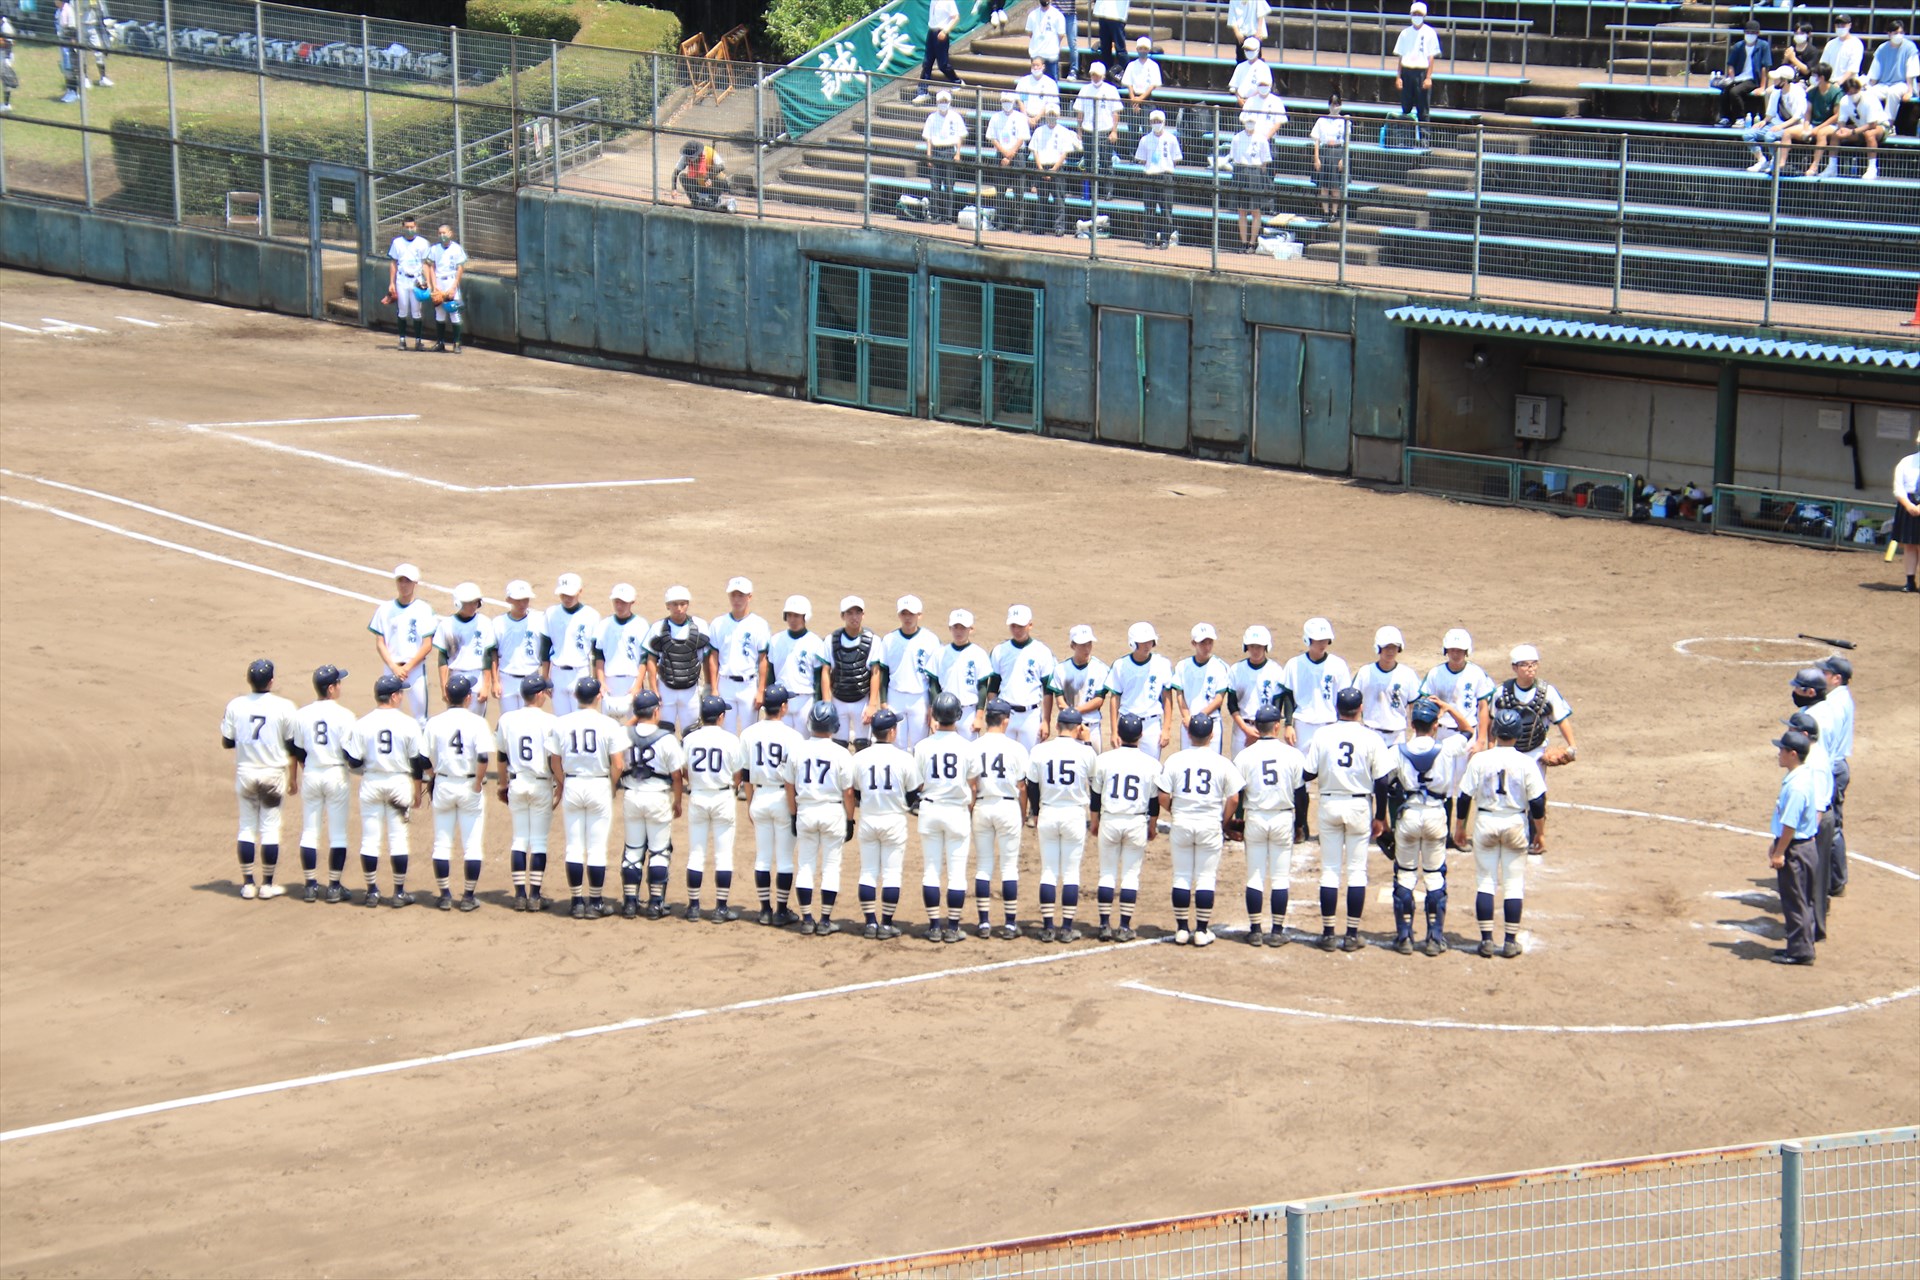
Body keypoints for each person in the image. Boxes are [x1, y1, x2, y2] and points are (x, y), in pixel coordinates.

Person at [1302, 687, 1393, 951]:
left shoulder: (1323, 734)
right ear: (1361, 708)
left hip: (1329, 802)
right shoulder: (1371, 737)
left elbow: (1308, 774)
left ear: (1337, 709)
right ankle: (1351, 934)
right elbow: (1382, 781)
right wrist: (1380, 817)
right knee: (1356, 871)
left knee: (1330, 871)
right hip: (1359, 806)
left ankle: (1329, 933)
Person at [1452, 708, 1546, 958]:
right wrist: (1540, 833)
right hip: (1515, 822)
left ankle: (1485, 941)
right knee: (1514, 884)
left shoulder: (1480, 760)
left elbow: (1464, 797)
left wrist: (1460, 826)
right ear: (1517, 734)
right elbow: (1537, 802)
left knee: (1486, 882)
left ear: (1495, 732)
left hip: (1486, 821)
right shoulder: (1526, 762)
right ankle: (1510, 941)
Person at [1387, 698, 1473, 954]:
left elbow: (1385, 783)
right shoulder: (1447, 748)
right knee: (1435, 875)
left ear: (1412, 725)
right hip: (1436, 816)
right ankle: (1434, 938)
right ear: (1435, 725)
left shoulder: (1397, 750)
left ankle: (1404, 936)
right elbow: (1468, 730)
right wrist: (1449, 709)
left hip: (1409, 816)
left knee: (1405, 874)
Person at [1158, 714, 1246, 946]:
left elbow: (1162, 795)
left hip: (1182, 822)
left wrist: (1175, 810)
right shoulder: (1222, 762)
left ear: (1189, 735)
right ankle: (1202, 930)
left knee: (1182, 876)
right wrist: (1222, 819)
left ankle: (1181, 929)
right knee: (1206, 877)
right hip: (1209, 824)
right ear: (1212, 735)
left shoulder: (1175, 759)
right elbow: (1234, 799)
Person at [344, 672, 427, 908]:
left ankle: (371, 891)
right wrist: (417, 789)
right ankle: (399, 893)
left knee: (370, 839)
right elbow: (416, 761)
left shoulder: (362, 724)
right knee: (398, 838)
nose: (401, 696)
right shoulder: (409, 724)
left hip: (371, 782)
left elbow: (354, 762)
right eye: (400, 692)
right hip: (399, 783)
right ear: (393, 696)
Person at [221, 658, 299, 901]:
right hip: (272, 774)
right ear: (272, 681)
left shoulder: (235, 705)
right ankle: (266, 884)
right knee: (269, 829)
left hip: (245, 772)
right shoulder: (285, 706)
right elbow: (291, 745)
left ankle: (247, 884)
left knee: (246, 827)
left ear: (249, 680)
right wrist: (293, 777)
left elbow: (227, 741)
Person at [551, 676, 626, 920]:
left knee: (573, 846)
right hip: (598, 784)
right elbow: (618, 764)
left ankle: (576, 902)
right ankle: (595, 902)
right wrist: (611, 785)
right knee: (596, 847)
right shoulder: (609, 724)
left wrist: (564, 782)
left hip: (573, 782)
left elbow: (554, 761)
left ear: (575, 697)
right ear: (599, 696)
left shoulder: (562, 723)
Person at [1230, 703, 1305, 945]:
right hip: (1283, 816)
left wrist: (1237, 819)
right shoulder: (1293, 754)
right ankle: (1277, 931)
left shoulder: (1244, 756)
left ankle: (1254, 930)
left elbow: (1238, 794)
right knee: (1280, 877)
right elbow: (1301, 795)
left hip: (1255, 817)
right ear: (1276, 726)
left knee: (1254, 875)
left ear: (1257, 727)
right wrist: (1301, 824)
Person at [784, 702, 857, 936]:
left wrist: (794, 814)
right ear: (834, 726)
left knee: (805, 865)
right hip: (832, 812)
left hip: (806, 810)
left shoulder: (797, 750)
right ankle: (825, 920)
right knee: (831, 867)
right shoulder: (842, 753)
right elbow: (848, 792)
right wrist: (849, 819)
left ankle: (806, 918)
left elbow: (789, 786)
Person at [914, 692, 982, 940]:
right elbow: (973, 785)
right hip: (957, 811)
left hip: (930, 809)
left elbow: (918, 784)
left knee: (931, 869)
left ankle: (933, 926)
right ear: (958, 716)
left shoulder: (922, 746)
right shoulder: (968, 747)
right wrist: (969, 809)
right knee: (956, 872)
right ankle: (953, 927)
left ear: (934, 715)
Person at [422, 673, 491, 913]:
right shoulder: (477, 723)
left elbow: (421, 757)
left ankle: (444, 895)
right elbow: (483, 757)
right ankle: (468, 896)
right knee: (472, 845)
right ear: (468, 697)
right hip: (468, 785)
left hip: (443, 784)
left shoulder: (434, 722)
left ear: (446, 696)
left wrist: (432, 775)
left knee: (442, 843)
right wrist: (478, 782)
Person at [1028, 707, 1098, 941]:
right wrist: (1087, 743)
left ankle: (1048, 927)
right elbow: (1094, 777)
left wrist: (1036, 812)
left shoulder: (1039, 750)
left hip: (1048, 812)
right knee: (1070, 872)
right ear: (1079, 729)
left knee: (1048, 870)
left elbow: (1032, 786)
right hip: (1074, 815)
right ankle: (1066, 928)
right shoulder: (1085, 752)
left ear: (1057, 727)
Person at [1280, 616, 1351, 841]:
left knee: (1332, 777)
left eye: (1325, 640)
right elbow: (1288, 696)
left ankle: (1331, 828)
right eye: (1317, 640)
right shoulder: (1294, 664)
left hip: (1330, 724)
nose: (1322, 644)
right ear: (1307, 640)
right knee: (1301, 777)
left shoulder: (1337, 665)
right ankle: (1300, 825)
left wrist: (1343, 725)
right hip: (1303, 725)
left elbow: (1343, 698)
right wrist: (1288, 724)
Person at [289, 665, 356, 903]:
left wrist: (298, 775)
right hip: (336, 774)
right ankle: (335, 887)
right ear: (331, 688)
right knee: (337, 833)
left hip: (312, 774)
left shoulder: (302, 714)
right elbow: (352, 754)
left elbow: (297, 750)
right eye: (338, 683)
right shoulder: (345, 715)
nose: (340, 686)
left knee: (310, 831)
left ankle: (309, 886)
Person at [1090, 712, 1160, 940]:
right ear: (1140, 736)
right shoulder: (1152, 763)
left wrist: (1094, 821)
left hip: (1110, 819)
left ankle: (1103, 925)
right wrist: (1152, 825)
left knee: (1106, 874)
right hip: (1136, 821)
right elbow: (1153, 802)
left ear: (1118, 733)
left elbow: (1095, 797)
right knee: (1131, 875)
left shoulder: (1103, 760)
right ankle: (1125, 926)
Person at [852, 707, 919, 938]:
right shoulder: (905, 758)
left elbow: (856, 793)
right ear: (892, 732)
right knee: (891, 874)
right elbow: (912, 796)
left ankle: (870, 923)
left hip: (869, 819)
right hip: (894, 821)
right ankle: (887, 924)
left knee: (868, 871)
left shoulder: (859, 757)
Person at [620, 690, 687, 919]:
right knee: (659, 850)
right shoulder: (666, 738)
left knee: (633, 849)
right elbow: (677, 776)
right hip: (657, 797)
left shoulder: (624, 735)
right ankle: (655, 904)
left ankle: (630, 903)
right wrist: (678, 801)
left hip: (632, 796)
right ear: (656, 711)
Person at [496, 674, 558, 912]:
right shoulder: (551, 721)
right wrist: (560, 784)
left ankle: (520, 895)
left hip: (516, 783)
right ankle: (535, 895)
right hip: (541, 783)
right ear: (540, 694)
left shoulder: (506, 719)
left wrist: (502, 784)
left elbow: (501, 756)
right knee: (539, 841)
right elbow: (554, 759)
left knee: (520, 838)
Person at [971, 699, 1032, 938]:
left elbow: (972, 785)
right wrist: (1024, 812)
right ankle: (1009, 924)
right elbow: (1022, 786)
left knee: (983, 866)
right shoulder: (1016, 748)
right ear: (1006, 720)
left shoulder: (974, 746)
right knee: (1009, 867)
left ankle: (984, 923)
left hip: (983, 807)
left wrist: (971, 810)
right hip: (1008, 807)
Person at [682, 695, 746, 922]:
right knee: (723, 855)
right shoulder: (731, 740)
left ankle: (693, 906)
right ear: (721, 717)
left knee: (696, 854)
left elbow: (683, 771)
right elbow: (739, 774)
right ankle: (720, 908)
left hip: (697, 796)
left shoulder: (689, 739)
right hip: (722, 797)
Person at [741, 686, 803, 924]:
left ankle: (765, 910)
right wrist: (794, 809)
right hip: (782, 799)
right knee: (785, 858)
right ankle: (781, 910)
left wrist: (749, 803)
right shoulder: (793, 737)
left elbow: (746, 775)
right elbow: (794, 778)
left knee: (763, 857)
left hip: (759, 796)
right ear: (784, 707)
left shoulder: (748, 733)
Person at [1763, 728, 1821, 965]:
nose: (1779, 753)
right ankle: (1804, 944)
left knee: (1795, 902)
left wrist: (1779, 852)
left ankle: (1800, 951)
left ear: (1793, 754)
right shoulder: (1804, 776)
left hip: (1795, 849)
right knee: (1803, 900)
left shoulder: (1796, 786)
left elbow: (1789, 824)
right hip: (1805, 846)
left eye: (1782, 750)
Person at [872, 595, 941, 749]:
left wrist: (933, 707)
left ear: (919, 615)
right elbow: (884, 672)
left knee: (920, 745)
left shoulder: (930, 640)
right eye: (904, 613)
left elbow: (934, 678)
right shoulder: (890, 640)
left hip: (920, 697)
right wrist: (883, 701)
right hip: (895, 696)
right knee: (896, 745)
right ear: (899, 615)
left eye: (912, 614)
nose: (908, 618)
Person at [369, 563, 435, 723]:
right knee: (388, 714)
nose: (403, 585)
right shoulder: (385, 609)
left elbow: (427, 644)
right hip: (391, 668)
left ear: (415, 583)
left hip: (415, 669)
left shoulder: (424, 609)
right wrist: (394, 667)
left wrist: (407, 668)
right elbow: (380, 643)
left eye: (407, 581)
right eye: (401, 581)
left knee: (421, 719)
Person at [644, 584, 713, 737]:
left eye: (683, 604)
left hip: (691, 690)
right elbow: (651, 659)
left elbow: (708, 658)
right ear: (667, 605)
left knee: (692, 734)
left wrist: (709, 685)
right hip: (665, 689)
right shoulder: (658, 627)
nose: (679, 608)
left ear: (688, 604)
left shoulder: (700, 626)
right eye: (675, 604)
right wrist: (654, 689)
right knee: (663, 733)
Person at [989, 604, 1056, 748]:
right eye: (1013, 626)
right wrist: (993, 714)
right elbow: (993, 686)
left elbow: (1047, 690)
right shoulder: (1000, 651)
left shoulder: (1042, 651)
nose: (1017, 630)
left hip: (1030, 714)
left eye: (1021, 626)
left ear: (1030, 625)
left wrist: (1046, 721)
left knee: (1030, 760)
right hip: (1005, 713)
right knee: (1003, 758)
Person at [710, 576, 770, 735]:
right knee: (725, 734)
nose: (737, 600)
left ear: (749, 597)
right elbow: (713, 657)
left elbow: (763, 659)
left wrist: (761, 690)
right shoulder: (718, 623)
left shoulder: (759, 624)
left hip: (748, 684)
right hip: (725, 682)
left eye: (741, 595)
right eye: (733, 595)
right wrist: (714, 688)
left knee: (749, 734)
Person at [1103, 621, 1175, 755]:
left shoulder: (1162, 664)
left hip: (1151, 723)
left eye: (1150, 641)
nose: (1147, 645)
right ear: (1133, 643)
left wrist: (1166, 729)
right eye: (1143, 642)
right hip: (1126, 722)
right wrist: (1114, 731)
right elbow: (1115, 698)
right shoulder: (1120, 665)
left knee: (1152, 768)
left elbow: (1167, 697)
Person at [1353, 625, 1423, 747]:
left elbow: (1415, 705)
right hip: (1371, 733)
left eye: (1394, 647)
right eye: (1386, 647)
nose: (1390, 651)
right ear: (1378, 648)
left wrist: (1416, 733)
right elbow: (1353, 702)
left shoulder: (1407, 674)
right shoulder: (1365, 673)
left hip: (1397, 736)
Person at [433, 582, 496, 717]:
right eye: (469, 603)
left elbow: (487, 656)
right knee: (455, 718)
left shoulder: (485, 623)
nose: (473, 606)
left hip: (477, 676)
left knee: (476, 721)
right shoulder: (447, 625)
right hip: (455, 675)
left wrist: (486, 685)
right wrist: (444, 687)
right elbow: (442, 658)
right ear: (459, 603)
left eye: (475, 602)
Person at [768, 596, 830, 731]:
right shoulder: (776, 640)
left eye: (796, 615)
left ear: (805, 617)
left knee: (803, 743)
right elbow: (770, 672)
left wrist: (819, 703)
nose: (792, 619)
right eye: (789, 615)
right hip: (781, 698)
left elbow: (819, 677)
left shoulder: (815, 643)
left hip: (805, 699)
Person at [932, 609, 993, 740]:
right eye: (955, 627)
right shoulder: (940, 653)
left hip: (968, 712)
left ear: (971, 629)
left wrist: (979, 716)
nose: (958, 632)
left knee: (969, 753)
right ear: (950, 628)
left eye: (963, 628)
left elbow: (982, 687)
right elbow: (934, 685)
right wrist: (934, 715)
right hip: (944, 711)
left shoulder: (979, 654)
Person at [544, 573, 599, 718]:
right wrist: (545, 677)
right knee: (561, 721)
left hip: (580, 672)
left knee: (581, 719)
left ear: (580, 591)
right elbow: (545, 646)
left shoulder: (591, 615)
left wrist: (595, 679)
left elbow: (596, 650)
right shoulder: (551, 613)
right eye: (563, 594)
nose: (566, 598)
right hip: (557, 673)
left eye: (570, 594)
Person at [827, 596, 878, 750]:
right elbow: (825, 670)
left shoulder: (873, 640)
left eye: (858, 612)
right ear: (842, 616)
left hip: (861, 700)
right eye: (849, 613)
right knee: (838, 746)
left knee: (863, 745)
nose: (854, 617)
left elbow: (875, 672)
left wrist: (872, 704)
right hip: (838, 699)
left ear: (863, 615)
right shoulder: (831, 640)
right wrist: (826, 701)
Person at [1227, 625, 1287, 754]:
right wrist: (1246, 730)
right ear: (1246, 646)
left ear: (1266, 647)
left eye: (1259, 646)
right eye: (1252, 646)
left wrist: (1267, 733)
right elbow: (1231, 704)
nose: (1255, 650)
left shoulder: (1275, 671)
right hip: (1242, 729)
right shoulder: (1236, 670)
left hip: (1267, 728)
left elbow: (1277, 705)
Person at [594, 583, 649, 723]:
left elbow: (644, 658)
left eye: (623, 602)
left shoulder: (641, 625)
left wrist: (638, 685)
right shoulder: (604, 625)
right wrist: (601, 681)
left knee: (635, 725)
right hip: (609, 680)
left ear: (632, 602)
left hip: (632, 679)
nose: (619, 606)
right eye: (617, 602)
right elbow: (599, 656)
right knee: (608, 725)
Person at [1053, 624, 1111, 754]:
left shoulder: (1101, 669)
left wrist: (1075, 711)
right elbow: (1060, 700)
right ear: (1073, 645)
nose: (1087, 648)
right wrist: (1072, 715)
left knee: (1094, 770)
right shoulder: (1061, 669)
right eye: (1082, 644)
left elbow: (1098, 700)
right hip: (1068, 727)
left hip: (1091, 727)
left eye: (1089, 644)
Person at [1172, 623, 1230, 753]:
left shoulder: (1220, 666)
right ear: (1194, 643)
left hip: (1211, 722)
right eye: (1203, 643)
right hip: (1188, 723)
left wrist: (1199, 718)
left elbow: (1219, 698)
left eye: (1210, 642)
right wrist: (1187, 717)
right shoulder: (1183, 666)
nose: (1207, 647)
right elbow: (1180, 694)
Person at [492, 581, 547, 716]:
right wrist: (495, 681)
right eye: (518, 600)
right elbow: (493, 653)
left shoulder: (539, 620)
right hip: (507, 679)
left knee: (530, 721)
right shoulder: (498, 623)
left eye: (525, 600)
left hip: (532, 676)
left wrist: (545, 679)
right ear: (509, 599)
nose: (523, 604)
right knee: (508, 720)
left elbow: (546, 651)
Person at [1075, 61, 1123, 211]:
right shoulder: (1084, 89)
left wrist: (1114, 130)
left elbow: (1115, 113)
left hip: (1104, 129)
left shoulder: (1111, 90)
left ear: (1102, 75)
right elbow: (1079, 112)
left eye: (1097, 74)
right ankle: (1090, 191)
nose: (1094, 77)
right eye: (1092, 74)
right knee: (1088, 162)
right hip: (1089, 129)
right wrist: (1079, 130)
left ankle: (1108, 191)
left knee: (1106, 161)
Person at [1028, 103, 1080, 236]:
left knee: (1059, 200)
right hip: (1042, 167)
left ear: (1057, 116)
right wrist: (1041, 169)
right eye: (1049, 114)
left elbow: (1065, 153)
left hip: (1057, 168)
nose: (1051, 117)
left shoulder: (1063, 131)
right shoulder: (1039, 131)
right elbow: (1035, 151)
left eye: (1053, 115)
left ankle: (1059, 227)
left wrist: (1054, 169)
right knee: (1042, 200)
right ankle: (1039, 227)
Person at [1393, 2, 1442, 143]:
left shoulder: (1430, 33)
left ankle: (1425, 140)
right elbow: (1401, 56)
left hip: (1421, 72)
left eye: (1419, 14)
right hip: (1407, 71)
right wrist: (1398, 77)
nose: (1417, 17)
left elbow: (1431, 57)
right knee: (1406, 107)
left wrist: (1428, 77)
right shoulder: (1404, 33)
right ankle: (1405, 138)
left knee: (1423, 109)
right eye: (1414, 14)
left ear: (1424, 15)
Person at [1745, 67, 1808, 174]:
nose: (1774, 81)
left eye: (1777, 79)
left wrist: (1781, 126)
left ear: (1784, 81)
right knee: (1748, 134)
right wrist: (1764, 121)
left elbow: (1797, 117)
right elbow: (1771, 113)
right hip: (1775, 124)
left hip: (1792, 126)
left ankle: (1775, 161)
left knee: (1769, 136)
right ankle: (1762, 160)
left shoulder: (1798, 92)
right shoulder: (1776, 92)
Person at [987, 93, 1033, 234]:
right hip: (1000, 154)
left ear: (1013, 102)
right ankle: (1000, 221)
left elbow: (1023, 137)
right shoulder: (995, 117)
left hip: (1017, 155)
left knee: (1019, 191)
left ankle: (1019, 222)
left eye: (1009, 101)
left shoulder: (1020, 117)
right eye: (1004, 101)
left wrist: (1011, 153)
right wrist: (1004, 152)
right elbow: (992, 137)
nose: (1006, 103)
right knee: (1000, 191)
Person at [1135, 109, 1182, 249]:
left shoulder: (1171, 138)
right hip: (1150, 176)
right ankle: (1149, 239)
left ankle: (1165, 239)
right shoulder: (1145, 139)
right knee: (1149, 209)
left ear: (1164, 122)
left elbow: (1176, 159)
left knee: (1166, 210)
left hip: (1166, 175)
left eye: (1159, 121)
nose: (1157, 124)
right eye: (1154, 121)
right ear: (1150, 123)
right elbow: (1141, 159)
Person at [1790, 65, 1846, 177]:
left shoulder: (1836, 92)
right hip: (1813, 124)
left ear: (1821, 77)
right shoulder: (1812, 92)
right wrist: (1806, 127)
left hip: (1832, 125)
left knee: (1822, 133)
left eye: (1815, 75)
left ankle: (1814, 166)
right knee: (1787, 133)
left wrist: (1818, 128)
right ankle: (1781, 165)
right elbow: (1808, 112)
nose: (1813, 78)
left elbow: (1836, 116)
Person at [387, 217, 433, 351]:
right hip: (402, 279)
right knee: (402, 309)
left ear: (416, 227)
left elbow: (425, 264)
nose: (410, 229)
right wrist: (391, 283)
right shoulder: (397, 242)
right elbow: (393, 263)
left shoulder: (423, 243)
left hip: (417, 280)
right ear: (403, 227)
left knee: (416, 311)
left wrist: (428, 283)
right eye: (407, 227)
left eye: (412, 227)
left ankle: (418, 341)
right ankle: (402, 340)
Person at [921, 90, 968, 224]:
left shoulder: (955, 117)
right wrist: (929, 154)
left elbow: (960, 136)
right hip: (936, 150)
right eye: (941, 102)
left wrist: (958, 152)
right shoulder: (932, 117)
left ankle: (948, 216)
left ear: (949, 102)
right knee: (935, 186)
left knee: (949, 185)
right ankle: (936, 215)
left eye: (945, 102)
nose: (943, 104)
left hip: (949, 150)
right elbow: (928, 138)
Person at [1229, 112, 1272, 253]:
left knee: (1255, 210)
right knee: (1241, 210)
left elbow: (1265, 161)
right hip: (1241, 171)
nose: (1250, 124)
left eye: (1252, 121)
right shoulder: (1237, 138)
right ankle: (1243, 242)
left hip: (1255, 171)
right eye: (1248, 121)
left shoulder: (1261, 139)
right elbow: (1234, 158)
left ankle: (1252, 243)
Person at [1832, 76, 1889, 180]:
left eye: (1855, 92)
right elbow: (1841, 121)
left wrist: (1852, 132)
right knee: (1836, 134)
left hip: (1880, 126)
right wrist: (1841, 129)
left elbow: (1872, 124)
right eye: (1850, 93)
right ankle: (1832, 167)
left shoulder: (1870, 99)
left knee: (1869, 134)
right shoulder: (1844, 101)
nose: (1853, 95)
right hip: (1860, 128)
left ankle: (1872, 168)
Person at [1719, 20, 1773, 126]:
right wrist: (1731, 78)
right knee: (1725, 90)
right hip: (1739, 77)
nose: (1750, 35)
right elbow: (1731, 64)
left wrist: (1762, 87)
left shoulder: (1763, 46)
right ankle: (1725, 117)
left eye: (1753, 33)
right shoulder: (1738, 46)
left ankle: (1740, 117)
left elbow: (1764, 67)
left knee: (1735, 92)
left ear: (1758, 33)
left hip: (1752, 79)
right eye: (1747, 32)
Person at [424, 224, 466, 353]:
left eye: (444, 233)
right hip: (439, 282)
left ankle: (457, 343)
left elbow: (460, 268)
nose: (442, 235)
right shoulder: (435, 249)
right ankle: (440, 343)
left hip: (451, 281)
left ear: (450, 233)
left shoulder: (456, 249)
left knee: (453, 312)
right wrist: (434, 285)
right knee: (439, 312)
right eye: (440, 233)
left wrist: (454, 287)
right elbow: (431, 266)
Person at [1308, 94, 1350, 222]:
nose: (1334, 107)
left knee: (1335, 186)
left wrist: (1343, 158)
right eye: (1332, 104)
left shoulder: (1344, 121)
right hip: (1325, 151)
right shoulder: (1321, 120)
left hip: (1338, 151)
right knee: (1324, 186)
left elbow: (1346, 142)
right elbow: (1317, 140)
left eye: (1337, 104)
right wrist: (1316, 158)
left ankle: (1334, 212)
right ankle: (1325, 212)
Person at [914, 0, 964, 103]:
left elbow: (956, 17)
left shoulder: (948, 1)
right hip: (931, 32)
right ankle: (923, 92)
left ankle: (957, 81)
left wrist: (945, 31)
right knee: (927, 63)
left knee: (943, 64)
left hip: (941, 33)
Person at [1866, 21, 1917, 115]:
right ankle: (1874, 120)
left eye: (1901, 33)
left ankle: (1888, 123)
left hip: (1902, 84)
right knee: (1869, 94)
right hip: (1884, 84)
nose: (1899, 35)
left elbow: (1911, 71)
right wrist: (1869, 86)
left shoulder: (1910, 47)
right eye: (1896, 33)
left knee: (1893, 93)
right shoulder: (1882, 49)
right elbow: (1875, 72)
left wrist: (1910, 91)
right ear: (1889, 34)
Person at [672, 140, 735, 211]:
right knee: (682, 177)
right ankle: (695, 202)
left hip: (712, 185)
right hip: (698, 184)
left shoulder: (710, 152)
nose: (689, 159)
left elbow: (721, 166)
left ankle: (714, 201)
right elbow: (675, 172)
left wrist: (709, 177)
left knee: (721, 177)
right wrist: (674, 189)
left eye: (691, 157)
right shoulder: (686, 157)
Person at [1119, 37, 1162, 131]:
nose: (1143, 51)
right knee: (1132, 130)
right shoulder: (1131, 65)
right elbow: (1129, 84)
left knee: (1148, 129)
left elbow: (1153, 85)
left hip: (1147, 100)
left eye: (1145, 49)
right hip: (1133, 99)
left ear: (1148, 50)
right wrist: (1134, 100)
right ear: (1137, 49)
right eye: (1140, 48)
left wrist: (1140, 99)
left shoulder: (1153, 65)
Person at [1894, 435, 1920, 591]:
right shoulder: (1906, 462)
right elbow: (1898, 487)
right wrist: (1908, 505)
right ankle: (1910, 581)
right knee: (1909, 544)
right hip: (1908, 503)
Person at [1015, 56, 1061, 129]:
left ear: (1043, 66)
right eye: (1033, 65)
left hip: (1043, 120)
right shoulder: (1024, 81)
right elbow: (1020, 100)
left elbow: (1050, 103)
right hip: (1025, 118)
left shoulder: (1050, 83)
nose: (1035, 68)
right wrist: (1026, 118)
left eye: (1037, 65)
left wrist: (1036, 118)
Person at [1027, 0, 1067, 83]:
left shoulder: (1058, 15)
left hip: (1051, 55)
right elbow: (1029, 33)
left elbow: (1061, 34)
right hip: (1036, 54)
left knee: (1052, 82)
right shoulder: (1032, 15)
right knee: (1035, 82)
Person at [1819, 14, 1865, 84]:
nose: (1840, 27)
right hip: (1829, 82)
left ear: (1849, 25)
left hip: (1848, 83)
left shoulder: (1856, 44)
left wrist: (1839, 83)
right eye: (1838, 25)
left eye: (1843, 25)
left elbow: (1853, 69)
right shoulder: (1830, 44)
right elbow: (1823, 65)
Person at [1230, 39, 1274, 106]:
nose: (1248, 52)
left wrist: (1249, 100)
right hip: (1240, 103)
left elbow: (1265, 86)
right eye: (1246, 50)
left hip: (1256, 103)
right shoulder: (1240, 66)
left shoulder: (1263, 67)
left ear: (1258, 50)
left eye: (1251, 50)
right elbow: (1234, 86)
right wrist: (1239, 99)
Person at [1092, 0, 1128, 68]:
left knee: (1120, 48)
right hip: (1103, 12)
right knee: (1105, 48)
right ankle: (1107, 73)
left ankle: (1126, 73)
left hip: (1117, 14)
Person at [2, 14, 20, 115]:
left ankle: (7, 104)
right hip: (3, 56)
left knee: (7, 81)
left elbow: (9, 43)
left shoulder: (6, 27)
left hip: (6, 57)